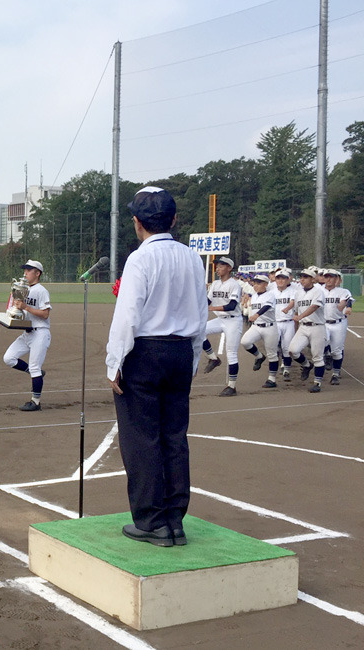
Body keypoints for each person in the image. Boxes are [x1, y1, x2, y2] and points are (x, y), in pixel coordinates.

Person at [106, 187, 207, 547]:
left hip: (145, 353)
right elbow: (201, 310)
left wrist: (114, 362)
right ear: (174, 219)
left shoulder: (140, 259)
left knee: (141, 438)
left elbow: (127, 315)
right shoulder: (192, 258)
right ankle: (175, 519)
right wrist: (193, 357)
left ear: (136, 222)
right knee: (174, 437)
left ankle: (150, 520)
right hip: (180, 351)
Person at [2, 259, 51, 411]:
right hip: (27, 333)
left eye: (29, 270)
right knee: (9, 358)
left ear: (37, 273)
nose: (25, 273)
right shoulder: (23, 288)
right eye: (25, 270)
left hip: (40, 333)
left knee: (35, 367)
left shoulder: (41, 291)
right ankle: (35, 373)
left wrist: (25, 307)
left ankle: (35, 402)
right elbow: (21, 312)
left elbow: (45, 314)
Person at [200, 257, 243, 396]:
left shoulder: (234, 285)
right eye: (216, 266)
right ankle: (213, 358)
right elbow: (207, 301)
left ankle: (232, 386)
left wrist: (213, 308)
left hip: (233, 320)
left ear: (229, 268)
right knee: (199, 331)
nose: (217, 268)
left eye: (221, 266)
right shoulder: (216, 284)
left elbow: (232, 306)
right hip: (220, 319)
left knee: (231, 353)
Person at [285, 269, 327, 393]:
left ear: (313, 279)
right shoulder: (298, 293)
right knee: (293, 350)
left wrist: (300, 317)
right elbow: (296, 311)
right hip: (303, 327)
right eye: (301, 277)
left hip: (317, 327)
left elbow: (314, 307)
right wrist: (296, 327)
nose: (302, 279)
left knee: (317, 356)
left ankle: (317, 383)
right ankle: (307, 365)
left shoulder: (318, 292)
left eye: (306, 277)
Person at [240, 275, 279, 387]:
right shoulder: (255, 296)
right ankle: (259, 356)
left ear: (266, 284)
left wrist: (257, 314)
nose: (256, 285)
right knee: (245, 342)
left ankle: (272, 379)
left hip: (270, 327)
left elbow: (266, 306)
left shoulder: (270, 295)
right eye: (255, 283)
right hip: (256, 326)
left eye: (259, 283)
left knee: (272, 354)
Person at [322, 269, 351, 385]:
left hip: (339, 323)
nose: (328, 279)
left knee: (337, 351)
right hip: (323, 323)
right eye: (326, 276)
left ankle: (335, 374)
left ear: (336, 279)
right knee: (322, 343)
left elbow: (348, 300)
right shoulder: (318, 291)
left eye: (331, 277)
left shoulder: (343, 291)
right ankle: (327, 355)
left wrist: (347, 307)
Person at [272, 269, 298, 381]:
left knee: (287, 347)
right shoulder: (272, 291)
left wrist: (287, 308)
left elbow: (293, 301)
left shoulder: (293, 290)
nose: (281, 280)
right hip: (275, 322)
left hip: (288, 322)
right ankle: (273, 370)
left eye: (283, 278)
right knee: (274, 346)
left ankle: (286, 369)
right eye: (278, 278)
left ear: (288, 280)